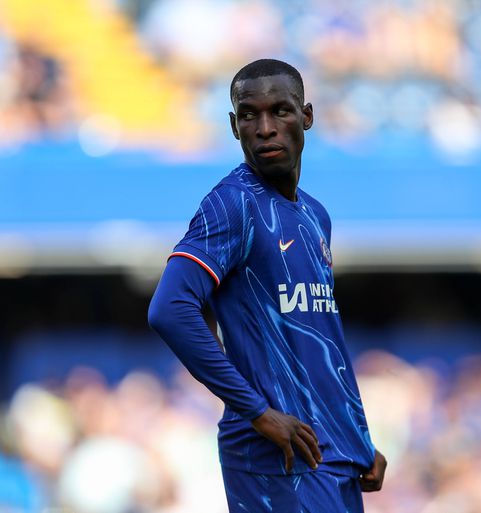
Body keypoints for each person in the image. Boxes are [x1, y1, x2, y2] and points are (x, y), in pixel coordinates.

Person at [148, 58, 386, 512]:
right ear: (233, 126)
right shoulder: (232, 204)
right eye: (249, 115)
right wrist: (257, 411)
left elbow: (317, 340)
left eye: (280, 111)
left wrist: (356, 436)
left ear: (307, 116)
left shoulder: (315, 215)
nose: (265, 128)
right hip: (277, 460)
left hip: (331, 453)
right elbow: (170, 309)